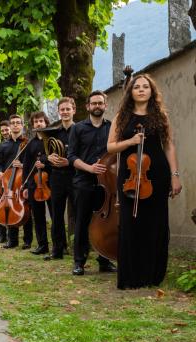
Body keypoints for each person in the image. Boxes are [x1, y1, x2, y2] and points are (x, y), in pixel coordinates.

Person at [106, 74, 181, 289]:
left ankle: (153, 275)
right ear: (130, 92)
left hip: (156, 174)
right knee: (131, 223)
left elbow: (169, 146)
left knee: (156, 223)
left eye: (145, 86)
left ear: (151, 91)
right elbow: (111, 147)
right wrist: (130, 141)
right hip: (130, 176)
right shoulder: (122, 116)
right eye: (136, 86)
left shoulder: (160, 116)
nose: (141, 90)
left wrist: (175, 176)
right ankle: (131, 275)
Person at [67, 90, 117, 276]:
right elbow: (71, 156)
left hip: (108, 184)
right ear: (88, 106)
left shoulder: (111, 127)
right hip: (83, 182)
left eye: (100, 103)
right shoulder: (78, 128)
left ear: (105, 105)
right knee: (82, 222)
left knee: (106, 222)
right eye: (94, 103)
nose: (97, 106)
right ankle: (79, 262)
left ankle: (104, 260)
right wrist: (90, 168)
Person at [44, 97, 76, 261]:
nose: (64, 112)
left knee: (77, 214)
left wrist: (69, 161)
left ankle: (78, 249)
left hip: (75, 177)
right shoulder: (53, 132)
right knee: (56, 215)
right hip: (56, 178)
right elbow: (43, 156)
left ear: (73, 110)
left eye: (67, 109)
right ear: (58, 112)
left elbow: (84, 154)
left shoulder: (80, 130)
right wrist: (48, 158)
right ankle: (57, 249)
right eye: (62, 109)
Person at [0, 115, 33, 249]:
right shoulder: (3, 146)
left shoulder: (28, 143)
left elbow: (32, 162)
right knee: (9, 208)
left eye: (18, 123)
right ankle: (12, 240)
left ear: (22, 125)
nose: (15, 125)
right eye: (13, 123)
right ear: (10, 126)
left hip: (23, 180)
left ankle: (27, 240)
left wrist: (22, 165)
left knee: (26, 210)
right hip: (8, 182)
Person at [22, 112, 52, 255]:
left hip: (50, 182)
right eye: (36, 122)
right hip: (34, 184)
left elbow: (56, 157)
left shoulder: (52, 140)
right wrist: (26, 186)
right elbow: (27, 166)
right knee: (38, 216)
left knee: (55, 215)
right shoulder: (30, 144)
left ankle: (60, 245)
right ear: (33, 125)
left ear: (46, 122)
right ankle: (42, 245)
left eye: (41, 121)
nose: (39, 123)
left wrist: (45, 162)